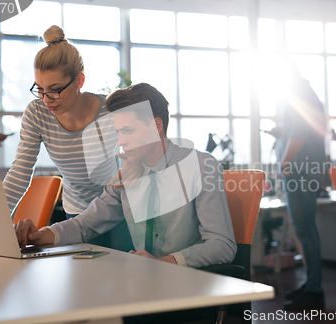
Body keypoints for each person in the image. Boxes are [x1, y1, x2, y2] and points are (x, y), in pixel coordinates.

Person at [14, 83, 236, 323]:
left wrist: (164, 264)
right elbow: (84, 224)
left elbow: (222, 244)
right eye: (118, 132)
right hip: (142, 290)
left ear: (156, 126)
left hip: (186, 289)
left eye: (128, 130)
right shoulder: (129, 172)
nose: (120, 141)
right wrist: (40, 235)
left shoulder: (201, 166)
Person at [0, 25, 134, 250]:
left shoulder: (110, 111)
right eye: (39, 89)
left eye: (55, 89)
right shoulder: (37, 113)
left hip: (119, 210)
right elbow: (20, 172)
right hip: (76, 212)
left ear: (79, 81)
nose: (46, 99)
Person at [267, 62, 327, 310]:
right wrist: (282, 131)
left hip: (299, 170)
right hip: (305, 169)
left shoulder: (297, 94)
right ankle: (312, 286)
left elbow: (301, 131)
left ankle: (314, 290)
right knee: (307, 230)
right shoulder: (306, 93)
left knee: (304, 230)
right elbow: (299, 127)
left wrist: (284, 163)